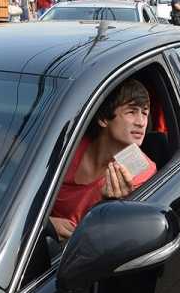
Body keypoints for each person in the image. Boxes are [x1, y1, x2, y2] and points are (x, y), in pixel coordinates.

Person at [50, 78, 157, 240]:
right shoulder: (67, 148)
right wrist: (47, 224)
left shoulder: (141, 172)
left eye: (145, 113)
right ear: (103, 119)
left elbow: (118, 238)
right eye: (131, 112)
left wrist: (112, 207)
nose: (141, 122)